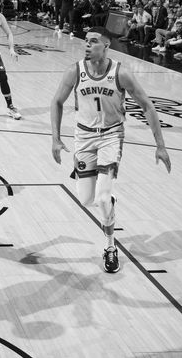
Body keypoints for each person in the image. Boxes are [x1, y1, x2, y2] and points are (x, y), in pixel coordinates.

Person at [50, 27, 171, 273]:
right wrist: (55, 138)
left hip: (111, 136)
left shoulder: (121, 73)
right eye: (86, 41)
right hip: (83, 136)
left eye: (93, 41)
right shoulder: (75, 71)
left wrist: (160, 145)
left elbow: (147, 106)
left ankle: (110, 246)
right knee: (86, 200)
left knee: (102, 199)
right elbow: (56, 102)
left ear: (106, 46)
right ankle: (109, 199)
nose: (87, 45)